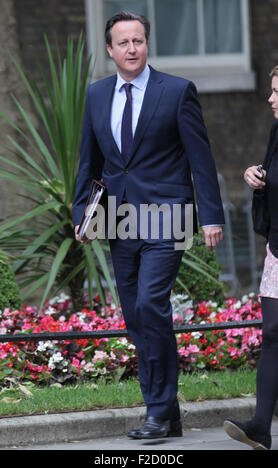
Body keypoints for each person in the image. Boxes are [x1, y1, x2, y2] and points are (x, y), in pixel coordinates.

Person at [73, 11, 224, 439]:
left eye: (138, 41)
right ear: (110, 50)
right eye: (123, 43)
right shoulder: (97, 95)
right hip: (119, 220)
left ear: (146, 44)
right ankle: (169, 411)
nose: (132, 49)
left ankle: (157, 411)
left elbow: (201, 157)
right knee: (136, 317)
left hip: (168, 218)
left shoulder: (176, 92)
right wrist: (82, 215)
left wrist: (210, 215)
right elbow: (90, 162)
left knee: (150, 305)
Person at [224, 66, 278, 451]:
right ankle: (260, 426)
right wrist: (254, 178)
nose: (271, 98)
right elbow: (270, 182)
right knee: (273, 335)